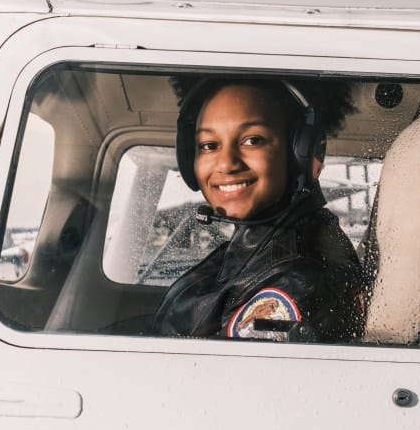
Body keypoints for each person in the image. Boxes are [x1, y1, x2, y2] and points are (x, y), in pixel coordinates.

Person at [149, 77, 364, 342]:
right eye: (209, 145)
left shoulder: (296, 279)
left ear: (301, 152)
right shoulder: (259, 246)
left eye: (252, 140)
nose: (226, 164)